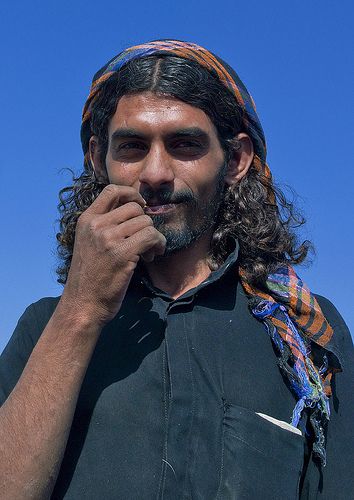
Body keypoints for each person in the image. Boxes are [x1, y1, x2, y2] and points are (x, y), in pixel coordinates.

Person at [0, 40, 353, 500]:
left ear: (236, 160)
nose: (156, 173)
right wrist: (81, 311)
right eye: (131, 146)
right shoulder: (47, 327)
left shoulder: (305, 338)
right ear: (96, 158)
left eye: (185, 144)